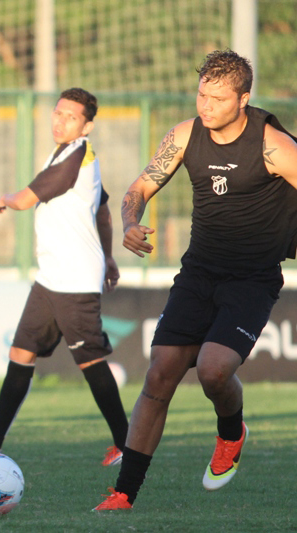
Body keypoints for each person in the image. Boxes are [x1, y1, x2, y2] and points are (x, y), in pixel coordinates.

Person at [94, 49, 297, 511]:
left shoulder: (274, 146)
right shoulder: (185, 135)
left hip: (251, 280)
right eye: (202, 93)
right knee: (160, 371)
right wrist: (130, 221)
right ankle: (123, 494)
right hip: (198, 273)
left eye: (218, 98)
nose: (205, 105)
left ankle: (232, 431)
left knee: (212, 369)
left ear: (243, 99)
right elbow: (139, 187)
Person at [0, 87, 128, 467]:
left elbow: (25, 200)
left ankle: (128, 442)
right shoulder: (71, 153)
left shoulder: (76, 155)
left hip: (74, 281)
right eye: (57, 113)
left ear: (87, 125)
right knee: (21, 352)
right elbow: (103, 211)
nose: (60, 121)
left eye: (70, 117)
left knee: (91, 362)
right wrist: (108, 256)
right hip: (52, 277)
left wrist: (4, 198)